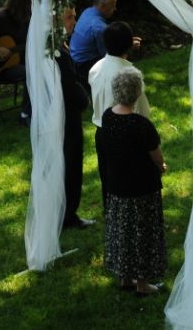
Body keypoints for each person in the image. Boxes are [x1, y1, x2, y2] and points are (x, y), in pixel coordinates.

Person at [95, 69, 167, 295]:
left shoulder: (108, 117)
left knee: (123, 232)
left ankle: (125, 278)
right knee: (143, 233)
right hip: (141, 187)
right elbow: (156, 155)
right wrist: (161, 167)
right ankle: (143, 284)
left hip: (118, 185)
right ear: (137, 94)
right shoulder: (141, 124)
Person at [56, 39, 92, 229]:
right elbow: (68, 83)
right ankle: (68, 214)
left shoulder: (51, 48)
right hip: (67, 114)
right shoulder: (58, 54)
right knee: (71, 162)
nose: (74, 22)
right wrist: (84, 100)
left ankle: (63, 212)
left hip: (55, 114)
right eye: (70, 17)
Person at [89, 21, 150, 127]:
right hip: (122, 130)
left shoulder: (95, 68)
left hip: (101, 131)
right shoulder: (129, 76)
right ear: (129, 46)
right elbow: (143, 112)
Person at [71, 0, 122, 92]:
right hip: (84, 65)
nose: (115, 9)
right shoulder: (98, 26)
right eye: (112, 6)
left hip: (74, 58)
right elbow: (106, 54)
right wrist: (126, 45)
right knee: (116, 59)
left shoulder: (87, 12)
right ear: (103, 7)